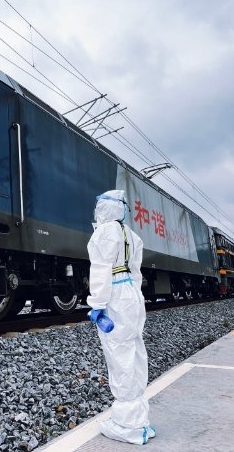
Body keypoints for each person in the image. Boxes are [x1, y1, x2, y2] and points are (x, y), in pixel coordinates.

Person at [86, 190, 156, 444]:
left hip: (115, 294)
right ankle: (139, 419)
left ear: (104, 209)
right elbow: (136, 273)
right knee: (135, 351)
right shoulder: (132, 236)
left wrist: (97, 304)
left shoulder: (103, 233)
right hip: (132, 295)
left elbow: (101, 270)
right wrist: (132, 297)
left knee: (119, 354)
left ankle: (127, 425)